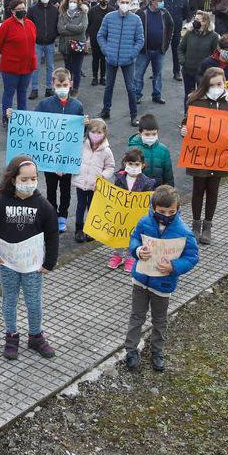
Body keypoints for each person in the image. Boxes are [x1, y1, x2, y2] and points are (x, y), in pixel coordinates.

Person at [0, 155, 59, 360]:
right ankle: (11, 335)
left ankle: (35, 336)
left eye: (33, 179)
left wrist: (49, 262)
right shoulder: (0, 203)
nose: (29, 183)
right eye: (24, 180)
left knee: (34, 302)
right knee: (10, 300)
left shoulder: (43, 205)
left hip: (33, 266)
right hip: (7, 264)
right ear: (13, 179)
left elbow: (52, 234)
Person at [123, 185, 199, 372]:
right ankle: (131, 350)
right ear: (153, 207)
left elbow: (192, 257)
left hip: (163, 284)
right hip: (141, 279)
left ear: (178, 209)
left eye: (171, 211)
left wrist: (174, 267)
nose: (166, 214)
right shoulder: (145, 222)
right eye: (162, 211)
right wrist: (138, 250)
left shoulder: (183, 231)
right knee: (136, 316)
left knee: (160, 320)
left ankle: (157, 351)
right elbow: (134, 239)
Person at [8, 68, 86, 233]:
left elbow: (80, 134)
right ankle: (52, 215)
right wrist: (14, 117)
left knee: (65, 190)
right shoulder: (45, 104)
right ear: (53, 84)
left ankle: (63, 216)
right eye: (59, 85)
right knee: (51, 189)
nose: (62, 88)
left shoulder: (77, 106)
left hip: (67, 158)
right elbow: (33, 124)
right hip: (49, 157)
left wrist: (86, 124)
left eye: (65, 84)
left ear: (70, 84)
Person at [179, 68, 228, 244]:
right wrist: (184, 130)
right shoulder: (196, 102)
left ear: (224, 82)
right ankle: (195, 225)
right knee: (198, 188)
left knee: (213, 190)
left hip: (219, 156)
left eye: (219, 84)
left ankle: (208, 226)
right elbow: (187, 122)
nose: (216, 88)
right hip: (200, 155)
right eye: (212, 85)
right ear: (205, 85)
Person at [97, 0, 144, 126]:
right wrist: (106, 51)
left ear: (130, 4)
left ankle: (134, 115)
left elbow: (140, 40)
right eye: (122, 2)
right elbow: (101, 36)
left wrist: (132, 54)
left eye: (127, 2)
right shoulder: (109, 17)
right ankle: (106, 110)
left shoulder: (136, 20)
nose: (124, 5)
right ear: (117, 2)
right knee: (108, 86)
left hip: (128, 60)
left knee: (130, 88)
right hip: (111, 58)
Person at [107, 148, 157, 271]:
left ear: (143, 165)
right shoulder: (119, 178)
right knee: (119, 233)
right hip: (121, 213)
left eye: (136, 164)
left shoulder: (146, 182)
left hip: (136, 215)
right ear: (125, 164)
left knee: (133, 235)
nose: (133, 167)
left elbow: (147, 200)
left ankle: (131, 256)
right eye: (130, 164)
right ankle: (118, 255)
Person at [0, 0, 37, 126]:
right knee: (9, 93)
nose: (22, 11)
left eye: (24, 8)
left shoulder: (30, 24)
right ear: (12, 12)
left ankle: (22, 117)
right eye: (19, 9)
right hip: (11, 67)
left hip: (27, 66)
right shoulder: (7, 25)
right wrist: (8, 54)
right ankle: (6, 117)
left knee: (23, 93)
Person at [72, 118, 115, 243]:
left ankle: (91, 230)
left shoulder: (106, 151)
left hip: (96, 185)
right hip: (81, 183)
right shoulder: (81, 146)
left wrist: (103, 176)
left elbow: (110, 166)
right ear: (88, 132)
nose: (96, 135)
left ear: (104, 134)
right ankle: (79, 230)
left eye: (99, 133)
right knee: (80, 206)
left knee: (92, 207)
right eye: (93, 132)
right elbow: (73, 159)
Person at [134, 0, 174, 105]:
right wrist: (138, 45)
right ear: (152, 1)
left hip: (159, 51)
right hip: (144, 51)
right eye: (160, 0)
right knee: (138, 75)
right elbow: (135, 30)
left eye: (162, 0)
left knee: (158, 74)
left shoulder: (165, 13)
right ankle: (136, 95)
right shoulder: (141, 13)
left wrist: (166, 45)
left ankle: (157, 95)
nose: (162, 2)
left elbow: (171, 27)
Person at [179, 11, 219, 107]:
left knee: (203, 96)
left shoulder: (213, 36)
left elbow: (216, 54)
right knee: (188, 95)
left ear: (205, 22)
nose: (194, 22)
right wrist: (183, 61)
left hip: (203, 73)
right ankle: (187, 116)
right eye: (194, 19)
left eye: (197, 20)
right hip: (188, 70)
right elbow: (181, 48)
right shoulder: (189, 33)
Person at [29, 0, 60, 98]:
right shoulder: (32, 9)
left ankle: (49, 88)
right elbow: (29, 25)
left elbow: (57, 24)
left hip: (50, 42)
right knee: (35, 67)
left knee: (50, 67)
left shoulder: (54, 10)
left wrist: (54, 35)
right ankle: (34, 89)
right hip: (37, 43)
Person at [57, 0, 90, 97]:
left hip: (78, 46)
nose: (72, 3)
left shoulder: (83, 14)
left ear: (78, 3)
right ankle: (67, 88)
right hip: (66, 46)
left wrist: (67, 26)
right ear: (67, 2)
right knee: (68, 69)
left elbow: (82, 28)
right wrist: (73, 28)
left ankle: (75, 89)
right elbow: (60, 29)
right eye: (71, 1)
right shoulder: (62, 14)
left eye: (74, 2)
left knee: (77, 69)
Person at [128, 114, 175, 187]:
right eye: (147, 134)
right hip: (139, 191)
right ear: (140, 133)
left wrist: (170, 191)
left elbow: (168, 175)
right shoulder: (133, 150)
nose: (151, 137)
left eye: (154, 134)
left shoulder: (164, 151)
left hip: (157, 191)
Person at [165, 0, 193, 82]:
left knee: (176, 51)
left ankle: (177, 71)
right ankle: (156, 71)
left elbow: (187, 14)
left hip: (176, 29)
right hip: (163, 30)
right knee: (159, 51)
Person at [88, 0, 115, 86]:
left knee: (104, 59)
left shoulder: (112, 11)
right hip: (95, 39)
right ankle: (95, 77)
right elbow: (89, 24)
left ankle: (103, 77)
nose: (103, 0)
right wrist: (88, 37)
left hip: (107, 40)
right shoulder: (92, 10)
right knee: (95, 58)